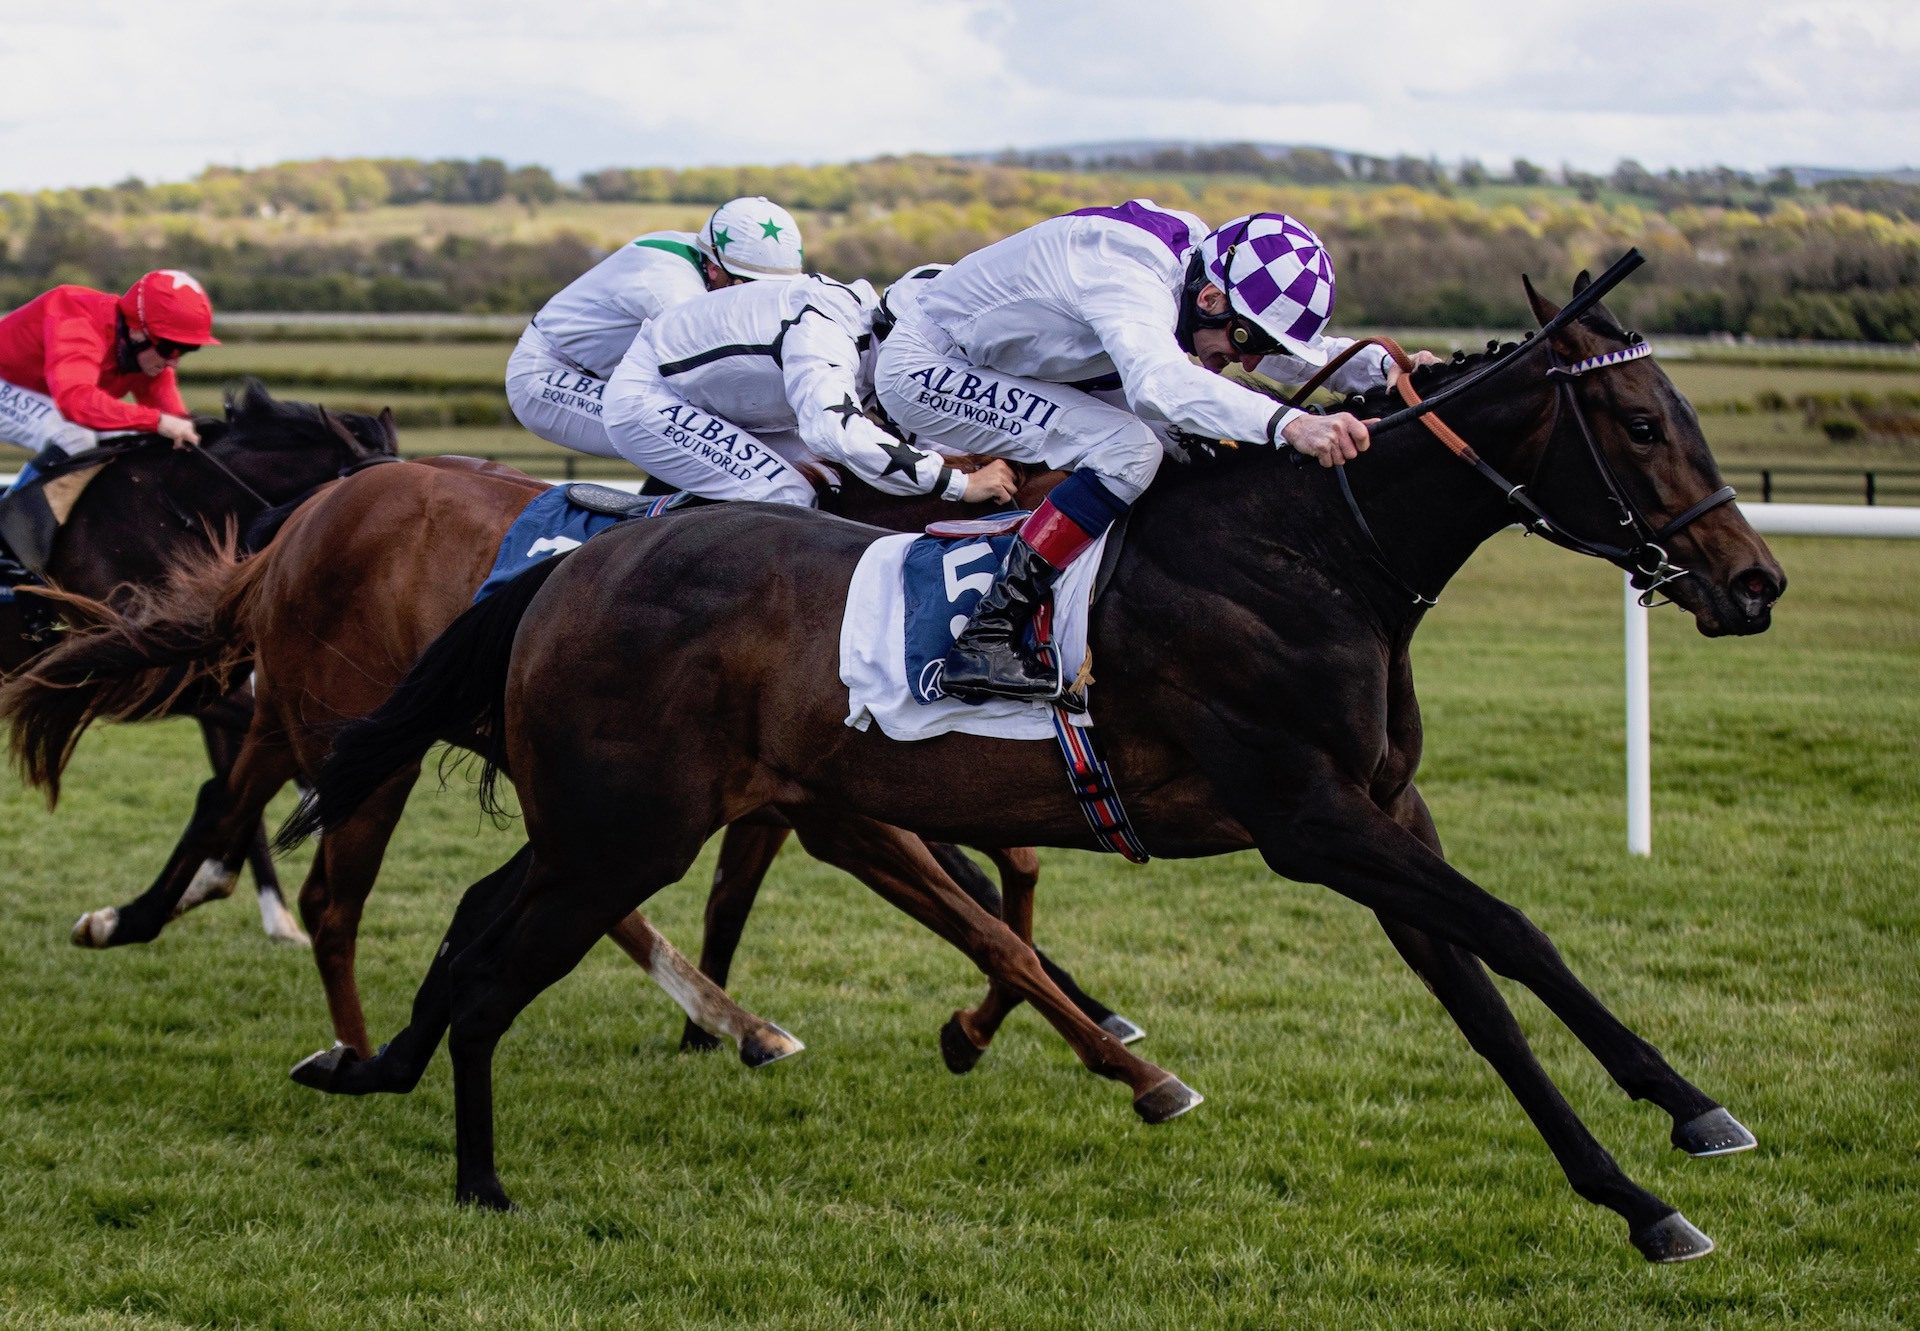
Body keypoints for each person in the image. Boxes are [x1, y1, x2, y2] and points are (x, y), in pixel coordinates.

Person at [873, 201, 1440, 706]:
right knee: (1130, 450)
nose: (1246, 361)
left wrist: (1387, 367)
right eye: (1245, 342)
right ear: (1211, 298)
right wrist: (1289, 424)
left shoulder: (1202, 273)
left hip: (1016, 362)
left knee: (1197, 443)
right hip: (929, 367)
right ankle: (987, 635)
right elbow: (1156, 385)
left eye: (1258, 347)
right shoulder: (1126, 274)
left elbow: (1275, 350)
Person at [602, 267, 1014, 508]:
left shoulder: (878, 340)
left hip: (722, 397)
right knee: (789, 494)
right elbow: (838, 432)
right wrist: (959, 485)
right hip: (651, 394)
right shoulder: (826, 332)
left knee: (835, 482)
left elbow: (916, 427)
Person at [505, 197, 807, 460]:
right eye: (751, 288)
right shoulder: (669, 285)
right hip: (547, 375)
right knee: (711, 442)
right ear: (714, 269)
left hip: (616, 379)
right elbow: (715, 379)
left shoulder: (716, 261)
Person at [0, 268, 215, 463]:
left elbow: (175, 420)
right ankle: (14, 508)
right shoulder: (77, 320)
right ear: (137, 332)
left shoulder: (146, 352)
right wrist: (158, 422)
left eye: (185, 349)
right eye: (169, 347)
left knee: (126, 442)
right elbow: (75, 402)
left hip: (49, 393)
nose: (174, 362)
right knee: (73, 438)